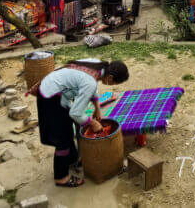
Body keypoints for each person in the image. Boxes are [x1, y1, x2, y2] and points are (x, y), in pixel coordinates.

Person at [33, 58, 129, 187]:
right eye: (114, 83)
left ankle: (72, 160)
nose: (112, 85)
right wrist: (93, 123)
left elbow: (92, 87)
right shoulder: (90, 81)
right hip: (50, 97)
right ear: (110, 78)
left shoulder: (96, 64)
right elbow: (75, 113)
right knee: (63, 139)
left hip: (55, 90)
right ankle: (61, 177)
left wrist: (97, 108)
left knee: (67, 128)